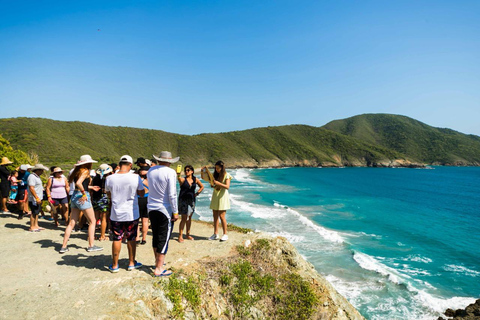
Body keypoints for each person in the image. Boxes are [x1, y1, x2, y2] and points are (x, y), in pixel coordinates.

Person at [105, 155, 144, 272]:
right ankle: (131, 263)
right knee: (131, 238)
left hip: (116, 213)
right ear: (130, 165)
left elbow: (108, 194)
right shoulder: (136, 177)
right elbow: (141, 194)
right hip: (132, 213)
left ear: (119, 164)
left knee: (117, 238)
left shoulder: (110, 178)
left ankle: (115, 265)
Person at [59, 155, 103, 253]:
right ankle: (91, 245)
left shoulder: (76, 171)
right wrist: (84, 193)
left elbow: (79, 184)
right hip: (82, 196)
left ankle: (64, 246)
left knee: (71, 223)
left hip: (74, 195)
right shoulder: (86, 171)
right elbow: (79, 183)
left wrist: (91, 188)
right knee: (92, 221)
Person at [147, 151, 180, 277]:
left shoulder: (151, 171)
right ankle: (159, 268)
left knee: (156, 235)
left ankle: (158, 262)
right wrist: (175, 211)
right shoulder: (170, 172)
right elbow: (172, 194)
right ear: (170, 161)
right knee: (164, 238)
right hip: (164, 209)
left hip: (151, 207)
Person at [204, 160, 232, 242]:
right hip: (216, 195)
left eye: (218, 168)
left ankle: (225, 234)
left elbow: (227, 186)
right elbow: (210, 181)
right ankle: (215, 233)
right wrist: (213, 184)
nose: (217, 170)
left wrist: (218, 183)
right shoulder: (215, 175)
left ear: (222, 168)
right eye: (216, 168)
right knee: (215, 215)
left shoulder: (227, 175)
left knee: (222, 216)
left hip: (223, 196)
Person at [177, 165, 204, 242]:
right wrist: (178, 173)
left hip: (191, 200)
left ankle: (188, 234)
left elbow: (202, 186)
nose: (186, 171)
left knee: (189, 218)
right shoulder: (183, 180)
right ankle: (180, 236)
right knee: (184, 218)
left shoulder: (195, 179)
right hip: (183, 200)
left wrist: (197, 193)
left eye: (188, 170)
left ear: (192, 171)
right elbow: (179, 178)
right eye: (185, 170)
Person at [92, 164, 113, 241]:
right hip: (104, 198)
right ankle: (102, 236)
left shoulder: (95, 178)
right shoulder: (108, 179)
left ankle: (91, 235)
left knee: (95, 218)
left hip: (95, 198)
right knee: (104, 218)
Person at [27, 164, 49, 232]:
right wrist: (36, 197)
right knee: (33, 212)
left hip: (38, 197)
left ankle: (36, 225)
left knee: (37, 212)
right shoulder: (32, 177)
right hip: (34, 198)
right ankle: (32, 226)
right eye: (41, 170)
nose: (42, 171)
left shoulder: (37, 177)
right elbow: (31, 188)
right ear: (37, 170)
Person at [136, 166, 150, 245]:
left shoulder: (136, 180)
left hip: (138, 200)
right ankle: (144, 238)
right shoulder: (148, 180)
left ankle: (137, 237)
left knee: (137, 220)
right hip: (146, 199)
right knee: (145, 220)